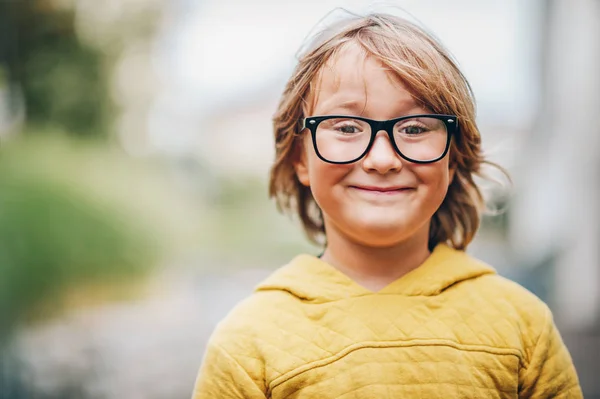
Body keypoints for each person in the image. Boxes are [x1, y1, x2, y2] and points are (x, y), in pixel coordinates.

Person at [191, 11, 582, 398]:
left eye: (414, 128)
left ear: (453, 155)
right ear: (299, 157)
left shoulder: (522, 325)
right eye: (346, 127)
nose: (382, 159)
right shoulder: (248, 341)